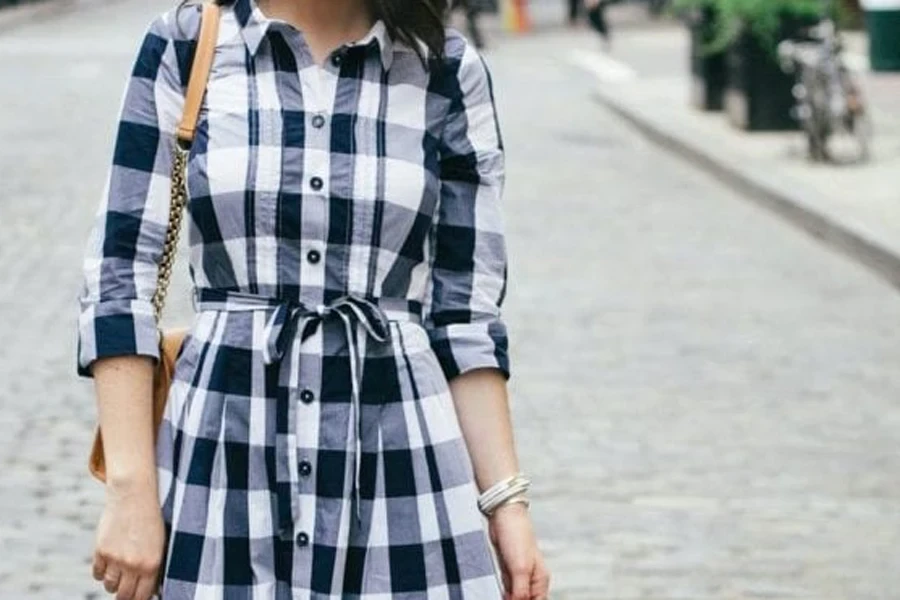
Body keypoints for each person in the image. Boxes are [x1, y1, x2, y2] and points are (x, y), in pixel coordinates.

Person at [76, 0, 550, 599]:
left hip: (397, 461)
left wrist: (507, 504)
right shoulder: (189, 44)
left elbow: (466, 318)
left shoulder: (447, 70)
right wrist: (130, 491)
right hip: (224, 456)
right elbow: (121, 277)